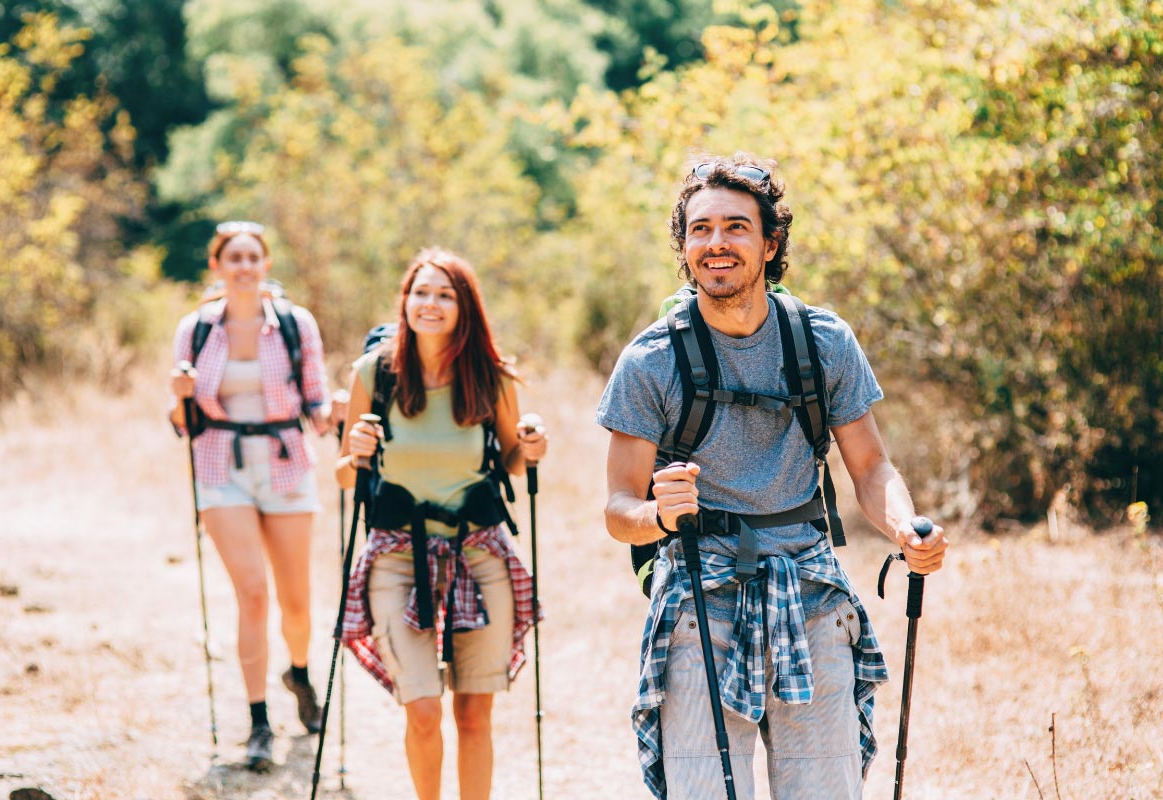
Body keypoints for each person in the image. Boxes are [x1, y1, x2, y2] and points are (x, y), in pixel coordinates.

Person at [597, 155, 950, 799]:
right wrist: (659, 514)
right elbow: (619, 507)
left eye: (736, 226)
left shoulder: (822, 342)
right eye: (700, 229)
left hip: (811, 593)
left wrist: (905, 528)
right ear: (683, 246)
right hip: (698, 602)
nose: (717, 243)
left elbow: (870, 467)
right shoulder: (652, 360)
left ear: (770, 242)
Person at [336, 247, 548, 800]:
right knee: (424, 709)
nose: (429, 304)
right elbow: (344, 476)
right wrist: (355, 451)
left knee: (474, 713)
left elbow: (511, 460)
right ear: (405, 301)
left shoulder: (491, 377)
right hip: (395, 557)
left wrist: (531, 446)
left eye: (444, 294)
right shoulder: (374, 373)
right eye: (420, 292)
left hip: (479, 554)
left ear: (464, 307)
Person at [169, 221, 333, 771]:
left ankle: (300, 673)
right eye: (232, 257)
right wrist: (179, 397)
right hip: (221, 467)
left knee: (296, 601)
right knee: (253, 594)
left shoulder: (294, 324)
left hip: (286, 465)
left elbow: (315, 402)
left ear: (265, 264)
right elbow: (182, 420)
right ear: (216, 267)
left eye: (252, 257)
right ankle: (259, 720)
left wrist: (336, 411)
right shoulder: (195, 329)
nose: (243, 266)